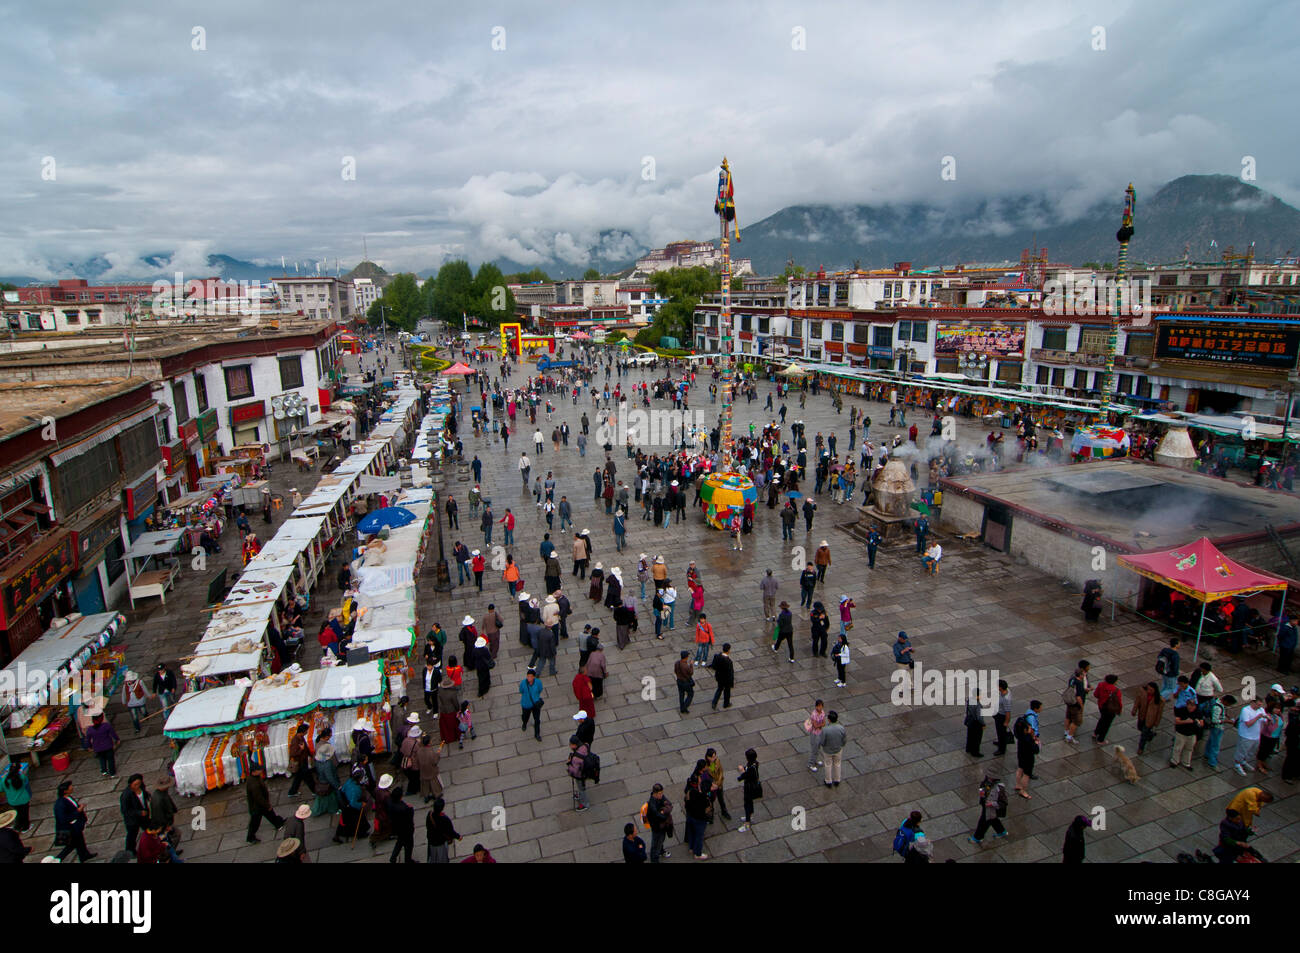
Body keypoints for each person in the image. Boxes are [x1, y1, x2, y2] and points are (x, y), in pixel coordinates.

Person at [54, 780, 95, 863]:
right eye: (70, 787)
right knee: (71, 845)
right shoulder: (60, 804)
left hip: (75, 826)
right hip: (70, 828)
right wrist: (78, 811)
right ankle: (57, 859)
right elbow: (63, 818)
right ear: (65, 791)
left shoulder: (68, 797)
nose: (72, 788)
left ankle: (84, 855)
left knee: (80, 841)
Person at [245, 765, 285, 843]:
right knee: (255, 823)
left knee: (270, 814)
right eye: (259, 769)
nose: (261, 770)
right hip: (257, 807)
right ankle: (250, 837)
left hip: (260, 805)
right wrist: (267, 805)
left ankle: (278, 823)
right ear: (254, 772)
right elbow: (258, 798)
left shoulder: (254, 777)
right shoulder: (254, 784)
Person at [682, 761, 712, 860]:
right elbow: (707, 809)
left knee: (691, 832)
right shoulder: (703, 797)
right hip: (699, 819)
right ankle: (697, 853)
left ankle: (691, 847)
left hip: (690, 815)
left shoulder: (691, 793)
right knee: (699, 835)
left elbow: (687, 800)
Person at [968, 776, 1009, 845]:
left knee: (984, 821)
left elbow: (1004, 802)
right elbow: (982, 788)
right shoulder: (986, 781)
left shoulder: (999, 787)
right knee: (992, 819)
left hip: (991, 808)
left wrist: (992, 804)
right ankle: (1001, 831)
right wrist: (982, 793)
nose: (989, 778)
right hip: (986, 805)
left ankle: (977, 838)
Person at [1013, 701, 1042, 799]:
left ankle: (1017, 784)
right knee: (1027, 774)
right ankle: (1023, 791)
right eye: (1029, 728)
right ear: (1025, 730)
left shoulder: (1020, 737)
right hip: (1028, 757)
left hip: (1021, 754)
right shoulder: (1028, 739)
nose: (1030, 729)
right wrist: (1037, 743)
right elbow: (1036, 750)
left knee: (1020, 768)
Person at [118, 773, 151, 854]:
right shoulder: (126, 795)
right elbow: (125, 810)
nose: (137, 786)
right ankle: (130, 851)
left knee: (150, 829)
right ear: (131, 784)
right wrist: (139, 812)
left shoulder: (141, 787)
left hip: (143, 816)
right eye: (135, 784)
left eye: (139, 784)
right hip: (133, 819)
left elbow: (144, 795)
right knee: (132, 835)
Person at [1170, 696, 1205, 770]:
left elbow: (1202, 723)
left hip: (1192, 734)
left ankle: (1186, 762)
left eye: (1193, 705)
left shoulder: (1198, 712)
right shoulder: (1181, 710)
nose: (1190, 707)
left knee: (1189, 749)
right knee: (1178, 748)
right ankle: (1174, 761)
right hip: (1181, 733)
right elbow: (1177, 721)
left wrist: (1198, 723)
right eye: (1189, 705)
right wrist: (1186, 721)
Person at [1131, 681, 1165, 756]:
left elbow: (1159, 713)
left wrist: (1156, 722)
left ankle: (1141, 748)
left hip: (1150, 719)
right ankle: (1150, 735)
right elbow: (1137, 701)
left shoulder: (1160, 700)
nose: (1149, 691)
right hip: (1142, 716)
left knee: (1143, 734)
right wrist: (1134, 710)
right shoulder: (1143, 693)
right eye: (1148, 689)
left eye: (1151, 690)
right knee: (1140, 728)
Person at [1234, 698, 1266, 776]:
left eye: (1261, 705)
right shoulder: (1246, 710)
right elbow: (1248, 724)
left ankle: (1243, 761)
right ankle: (1237, 765)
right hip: (1246, 735)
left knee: (1251, 751)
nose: (1260, 707)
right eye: (1258, 705)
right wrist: (1257, 717)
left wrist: (1267, 719)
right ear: (1252, 703)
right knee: (1242, 751)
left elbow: (1264, 721)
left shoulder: (1261, 709)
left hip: (1256, 736)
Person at [85, 707, 119, 777]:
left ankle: (104, 771)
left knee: (102, 759)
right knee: (110, 759)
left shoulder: (90, 729)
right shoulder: (106, 726)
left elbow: (87, 739)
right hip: (108, 746)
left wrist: (88, 747)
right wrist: (117, 740)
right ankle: (112, 773)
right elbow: (113, 734)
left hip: (97, 748)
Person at [426, 798, 462, 862]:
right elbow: (450, 831)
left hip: (431, 841)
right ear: (442, 808)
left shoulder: (430, 815)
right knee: (442, 858)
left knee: (433, 857)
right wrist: (458, 836)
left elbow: (427, 826)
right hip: (440, 842)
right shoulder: (444, 819)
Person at [1063, 660, 1090, 746]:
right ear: (1080, 675)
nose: (1084, 675)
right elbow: (1078, 697)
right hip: (1075, 704)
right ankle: (1069, 737)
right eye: (1083, 674)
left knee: (1068, 716)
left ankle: (1066, 731)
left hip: (1069, 702)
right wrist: (1081, 706)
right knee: (1076, 722)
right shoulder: (1079, 683)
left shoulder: (1072, 678)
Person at [646, 783, 673, 862]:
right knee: (656, 844)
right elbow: (659, 816)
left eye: (662, 793)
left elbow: (669, 804)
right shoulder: (652, 804)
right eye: (660, 793)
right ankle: (654, 859)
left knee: (661, 840)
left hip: (662, 825)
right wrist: (664, 812)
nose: (662, 795)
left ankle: (661, 851)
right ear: (655, 793)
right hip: (657, 827)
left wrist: (663, 811)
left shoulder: (660, 797)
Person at [1092, 674, 1122, 744]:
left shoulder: (1100, 685)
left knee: (1102, 719)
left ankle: (1096, 733)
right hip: (1111, 709)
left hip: (1101, 706)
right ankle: (1101, 739)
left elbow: (1095, 694)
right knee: (1106, 724)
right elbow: (1119, 702)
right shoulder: (1116, 691)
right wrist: (1119, 711)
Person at [819, 711, 847, 788]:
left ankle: (828, 781)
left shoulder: (825, 730)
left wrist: (824, 746)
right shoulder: (841, 728)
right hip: (838, 749)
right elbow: (844, 740)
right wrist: (841, 745)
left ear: (829, 720)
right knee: (837, 764)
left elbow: (822, 741)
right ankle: (837, 779)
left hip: (827, 751)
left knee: (828, 765)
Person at [2, 763, 32, 833]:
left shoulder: (4, 780)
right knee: (24, 813)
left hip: (12, 801)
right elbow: (25, 783)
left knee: (17, 814)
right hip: (23, 799)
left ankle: (17, 826)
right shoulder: (22, 777)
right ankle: (25, 827)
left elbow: (1, 789)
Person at [414, 734, 444, 803]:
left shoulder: (419, 751)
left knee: (425, 785)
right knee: (433, 783)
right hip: (431, 770)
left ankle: (426, 796)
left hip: (423, 770)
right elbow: (435, 761)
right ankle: (436, 794)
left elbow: (417, 760)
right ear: (429, 742)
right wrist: (438, 754)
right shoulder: (430, 751)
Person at [567, 735, 593, 812]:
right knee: (581, 787)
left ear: (574, 745)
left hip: (580, 775)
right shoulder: (585, 745)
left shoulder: (576, 758)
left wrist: (569, 763)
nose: (570, 745)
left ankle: (585, 804)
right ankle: (580, 796)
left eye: (571, 744)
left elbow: (573, 771)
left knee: (582, 788)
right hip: (586, 770)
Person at [520, 668, 544, 741]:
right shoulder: (523, 683)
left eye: (530, 676)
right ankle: (524, 723)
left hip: (535, 704)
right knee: (525, 716)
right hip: (526, 704)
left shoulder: (538, 682)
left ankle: (537, 734)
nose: (528, 678)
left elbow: (540, 689)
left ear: (534, 677)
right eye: (528, 676)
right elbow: (521, 691)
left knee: (537, 720)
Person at [709, 644, 735, 710]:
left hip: (719, 677)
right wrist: (731, 682)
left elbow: (714, 666)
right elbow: (730, 673)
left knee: (719, 689)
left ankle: (714, 703)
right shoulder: (728, 662)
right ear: (728, 650)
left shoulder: (717, 656)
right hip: (726, 679)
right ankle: (726, 704)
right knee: (727, 691)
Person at [806, 700, 828, 772]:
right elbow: (815, 726)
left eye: (821, 706)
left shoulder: (822, 712)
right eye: (819, 706)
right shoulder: (814, 714)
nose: (820, 708)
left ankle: (815, 760)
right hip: (814, 733)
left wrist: (820, 725)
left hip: (820, 732)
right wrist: (820, 725)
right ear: (816, 707)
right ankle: (810, 764)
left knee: (818, 747)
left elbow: (824, 723)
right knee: (814, 749)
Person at [964, 692, 986, 757]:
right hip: (976, 723)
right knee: (977, 738)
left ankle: (968, 748)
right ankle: (975, 752)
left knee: (970, 736)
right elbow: (979, 717)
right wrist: (983, 724)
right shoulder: (978, 705)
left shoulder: (969, 701)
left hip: (970, 721)